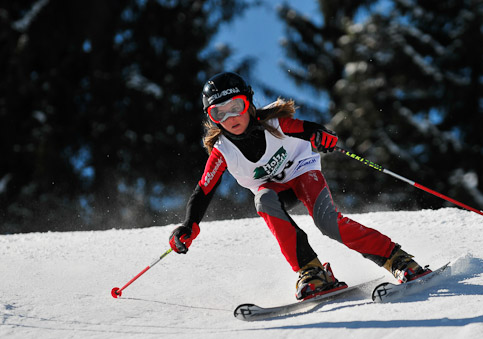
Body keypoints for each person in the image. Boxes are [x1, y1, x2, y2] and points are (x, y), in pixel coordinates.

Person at [169, 72, 424, 300]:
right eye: (219, 113)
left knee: (327, 223)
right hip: (274, 191)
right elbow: (203, 190)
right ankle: (311, 271)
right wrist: (188, 225)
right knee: (263, 200)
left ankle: (395, 258)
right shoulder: (223, 150)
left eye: (236, 106)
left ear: (249, 103)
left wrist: (321, 136)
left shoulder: (274, 124)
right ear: (212, 118)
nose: (231, 117)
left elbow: (310, 130)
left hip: (303, 174)